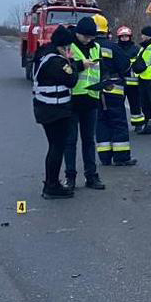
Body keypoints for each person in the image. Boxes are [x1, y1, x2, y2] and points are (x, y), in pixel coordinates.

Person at [33, 26, 89, 199]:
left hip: (46, 109)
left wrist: (76, 64)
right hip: (55, 111)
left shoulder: (44, 55)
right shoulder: (57, 61)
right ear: (63, 46)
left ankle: (52, 183)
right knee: (57, 148)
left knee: (54, 147)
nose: (70, 50)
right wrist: (71, 61)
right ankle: (51, 186)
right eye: (69, 47)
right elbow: (71, 79)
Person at [63, 16, 106, 190]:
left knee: (89, 140)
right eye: (86, 37)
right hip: (72, 99)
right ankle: (70, 177)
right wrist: (81, 65)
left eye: (91, 37)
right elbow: (64, 69)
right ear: (78, 34)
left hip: (91, 98)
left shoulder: (97, 47)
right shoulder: (69, 47)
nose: (89, 40)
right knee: (70, 141)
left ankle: (91, 176)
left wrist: (105, 83)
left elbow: (100, 70)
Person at [91, 15, 136, 166]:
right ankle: (121, 157)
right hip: (113, 89)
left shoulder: (86, 47)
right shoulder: (112, 47)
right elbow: (125, 67)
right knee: (118, 122)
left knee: (100, 122)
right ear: (106, 30)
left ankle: (105, 157)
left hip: (93, 91)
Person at [115, 25, 146, 131]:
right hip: (120, 82)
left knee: (135, 104)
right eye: (122, 36)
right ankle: (120, 125)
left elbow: (141, 64)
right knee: (118, 105)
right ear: (119, 37)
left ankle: (138, 124)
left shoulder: (136, 49)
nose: (124, 38)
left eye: (126, 36)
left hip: (133, 83)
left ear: (130, 37)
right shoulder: (116, 48)